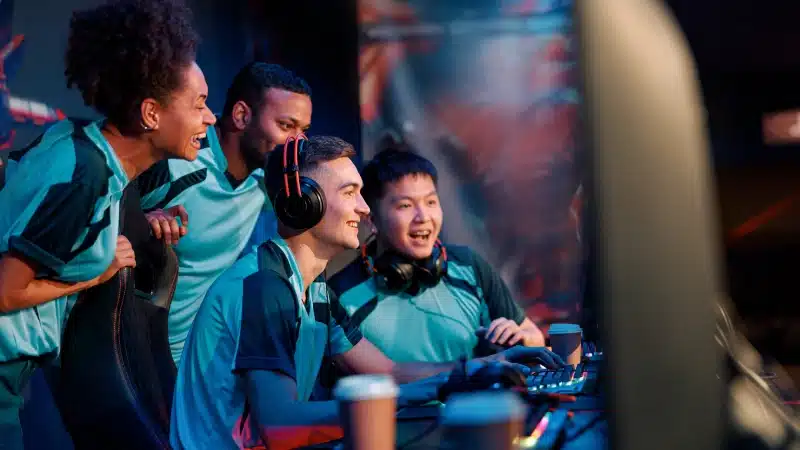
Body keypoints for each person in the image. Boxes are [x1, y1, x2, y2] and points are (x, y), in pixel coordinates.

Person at [170, 135, 564, 449]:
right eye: (349, 193)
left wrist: (479, 368)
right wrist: (390, 403)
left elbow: (387, 372)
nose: (363, 208)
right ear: (305, 203)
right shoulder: (263, 288)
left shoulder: (312, 289)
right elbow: (279, 426)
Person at [0, 0, 214, 446]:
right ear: (151, 114)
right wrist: (93, 277)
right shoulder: (88, 175)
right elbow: (4, 292)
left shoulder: (85, 149)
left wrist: (135, 221)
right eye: (199, 106)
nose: (209, 118)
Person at [136, 62, 312, 364]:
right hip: (123, 348)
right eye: (286, 126)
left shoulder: (269, 178)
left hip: (189, 357)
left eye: (304, 131)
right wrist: (140, 222)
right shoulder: (176, 157)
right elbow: (99, 223)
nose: (298, 144)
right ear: (242, 115)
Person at [328, 147, 545, 363]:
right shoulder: (341, 295)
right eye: (405, 205)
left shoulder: (469, 266)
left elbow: (534, 337)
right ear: (371, 220)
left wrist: (522, 339)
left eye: (431, 202)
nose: (423, 217)